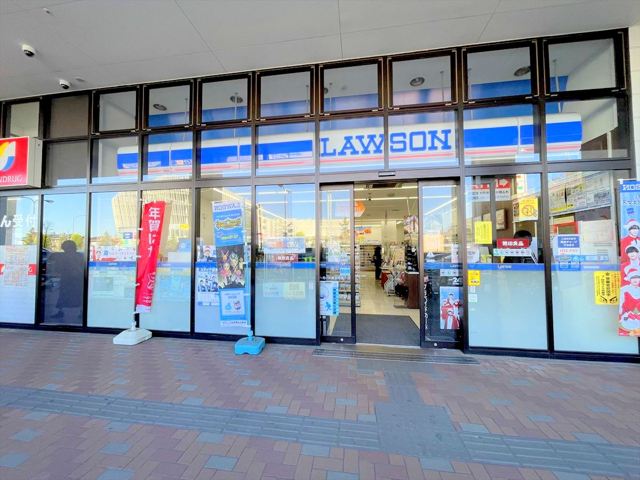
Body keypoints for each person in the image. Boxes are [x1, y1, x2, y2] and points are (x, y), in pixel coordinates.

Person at [49, 240, 84, 320]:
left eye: (65, 248)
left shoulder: (63, 256)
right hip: (77, 278)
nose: (64, 249)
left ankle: (61, 312)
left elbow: (55, 264)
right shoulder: (79, 255)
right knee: (77, 295)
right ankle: (81, 312)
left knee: (64, 295)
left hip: (69, 279)